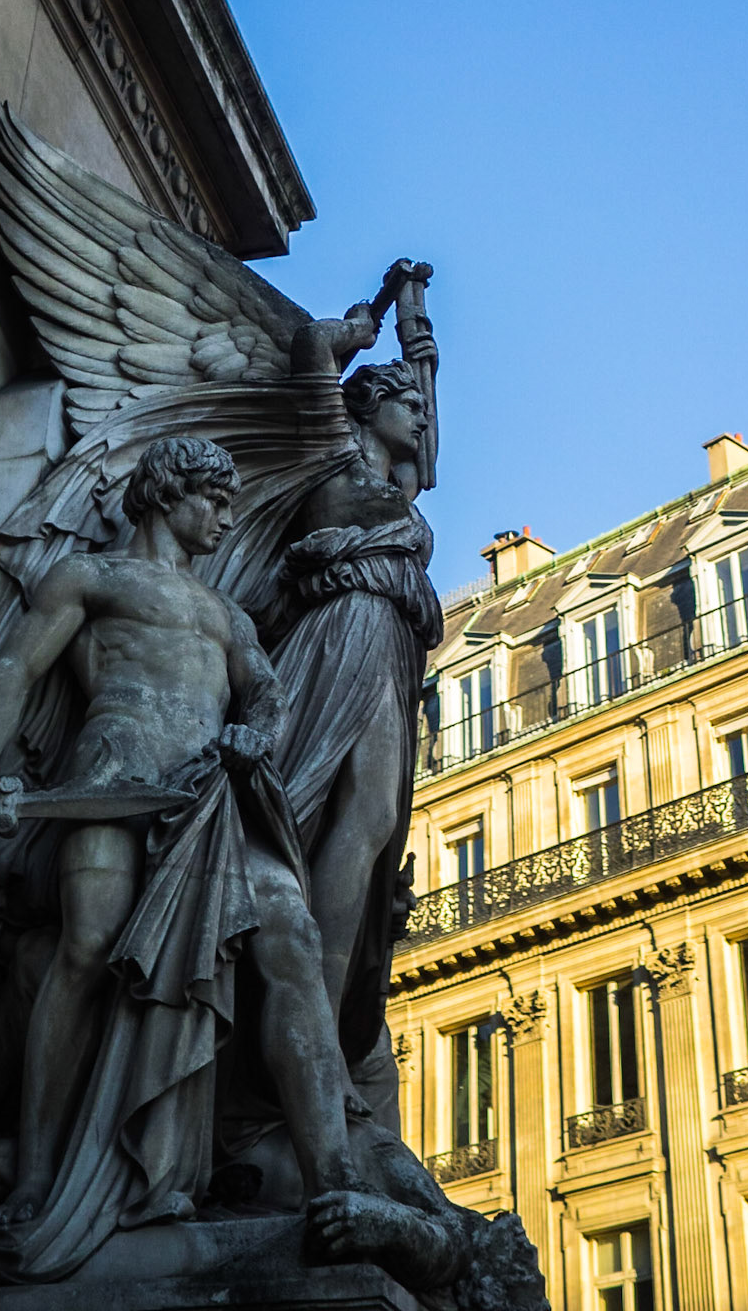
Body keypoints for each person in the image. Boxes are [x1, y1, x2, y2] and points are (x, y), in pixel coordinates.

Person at [0, 435, 355, 1283]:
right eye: (213, 499)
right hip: (109, 778)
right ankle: (40, 1175)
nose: (227, 516)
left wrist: (251, 733)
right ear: (166, 494)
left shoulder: (227, 615)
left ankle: (334, 1178)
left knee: (290, 929)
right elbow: (10, 673)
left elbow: (265, 689)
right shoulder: (90, 578)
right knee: (86, 946)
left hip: (210, 799)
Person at [261, 302, 443, 1082]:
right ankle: (311, 1032)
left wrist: (420, 336)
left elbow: (427, 457)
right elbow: (308, 355)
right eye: (408, 404)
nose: (422, 419)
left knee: (371, 829)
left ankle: (324, 1030)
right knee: (346, 819)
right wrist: (358, 329)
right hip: (347, 633)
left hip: (391, 647)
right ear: (368, 406)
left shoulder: (397, 479)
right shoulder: (332, 456)